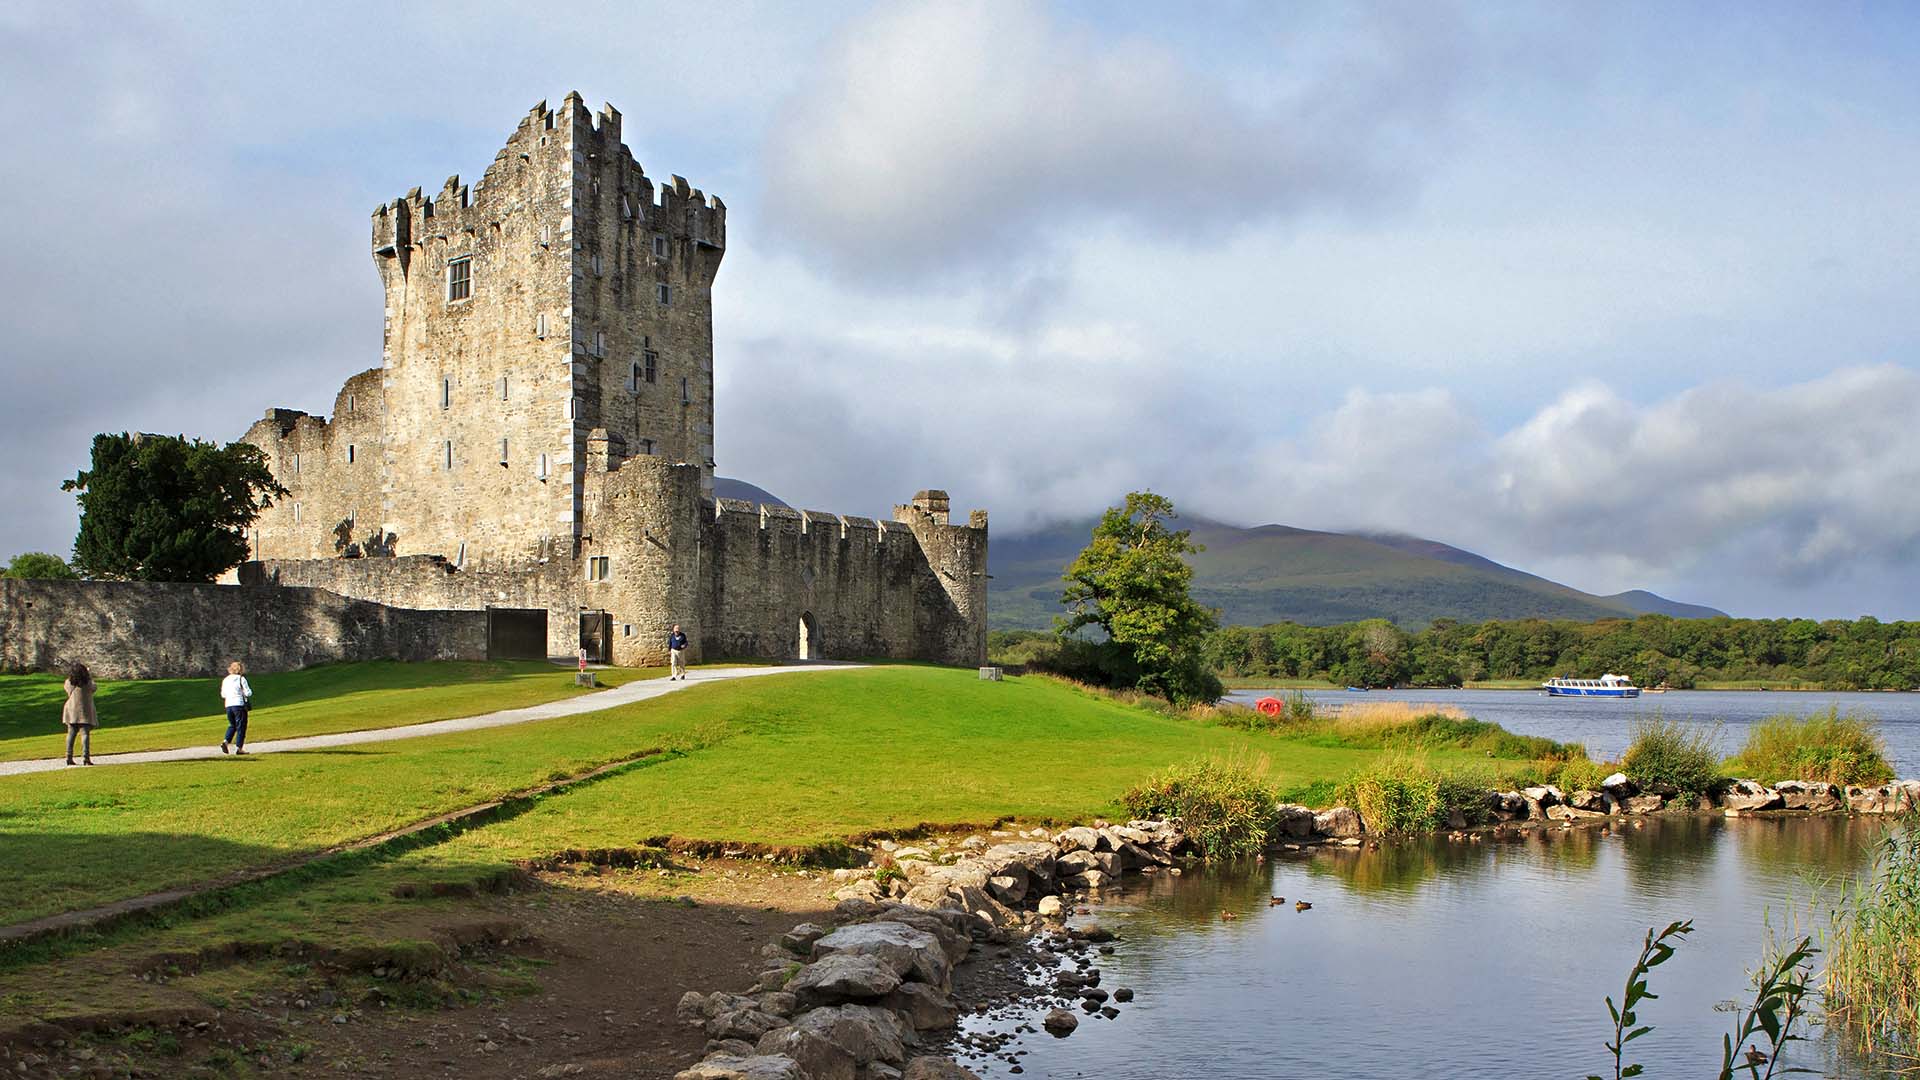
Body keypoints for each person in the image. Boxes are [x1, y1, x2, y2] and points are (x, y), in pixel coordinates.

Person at [62, 663, 97, 766]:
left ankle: (69, 756)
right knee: (85, 734)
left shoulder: (69, 683)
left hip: (72, 711)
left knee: (71, 734)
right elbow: (94, 688)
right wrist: (89, 675)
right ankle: (86, 758)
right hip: (85, 711)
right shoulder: (88, 683)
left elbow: (67, 688)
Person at [220, 660, 253, 755]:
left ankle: (226, 741)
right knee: (241, 726)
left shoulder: (225, 680)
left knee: (232, 725)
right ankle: (239, 748)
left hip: (228, 705)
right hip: (239, 704)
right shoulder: (240, 679)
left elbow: (223, 694)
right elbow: (248, 693)